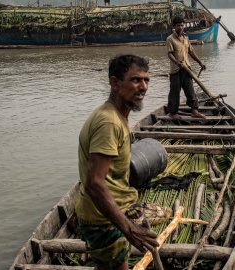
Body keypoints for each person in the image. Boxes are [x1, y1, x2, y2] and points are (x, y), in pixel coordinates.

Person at [73, 54, 159, 270]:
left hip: (110, 210)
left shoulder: (116, 116)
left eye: (146, 80)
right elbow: (94, 183)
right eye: (135, 80)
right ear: (114, 83)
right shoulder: (109, 123)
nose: (143, 87)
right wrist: (129, 229)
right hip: (103, 220)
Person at [166, 16, 206, 120]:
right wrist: (176, 62)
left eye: (182, 25)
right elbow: (170, 54)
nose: (180, 27)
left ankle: (194, 111)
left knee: (190, 90)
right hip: (176, 70)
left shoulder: (186, 38)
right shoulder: (170, 39)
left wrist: (200, 62)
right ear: (174, 27)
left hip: (187, 69)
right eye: (178, 25)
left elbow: (191, 52)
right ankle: (173, 113)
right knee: (175, 92)